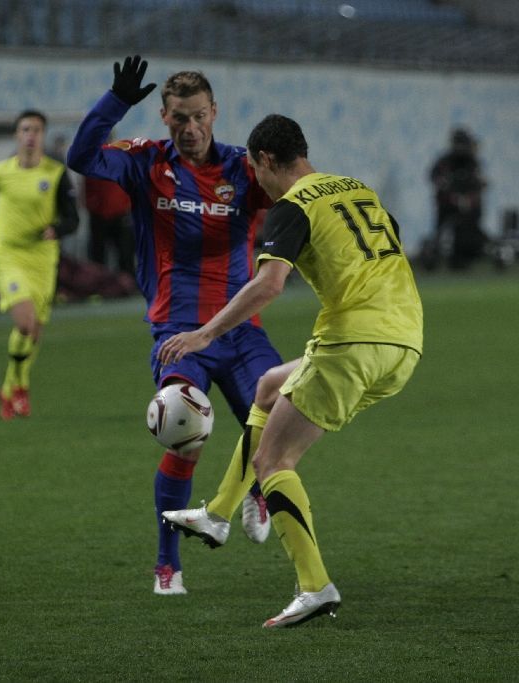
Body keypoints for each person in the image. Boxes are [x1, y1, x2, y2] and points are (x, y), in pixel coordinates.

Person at [159, 114, 423, 628]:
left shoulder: (293, 206)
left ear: (264, 161)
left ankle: (314, 586)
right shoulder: (358, 190)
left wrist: (204, 334)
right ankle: (216, 515)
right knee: (267, 386)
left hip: (352, 341)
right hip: (405, 342)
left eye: (255, 170)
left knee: (275, 460)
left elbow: (268, 286)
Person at [67, 55, 281, 596]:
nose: (190, 129)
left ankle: (256, 490)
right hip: (177, 333)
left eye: (199, 116)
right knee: (186, 432)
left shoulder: (241, 168)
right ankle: (168, 564)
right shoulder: (146, 162)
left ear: (215, 113)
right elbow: (81, 156)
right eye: (179, 118)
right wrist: (113, 103)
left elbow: (294, 191)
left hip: (240, 329)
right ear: (163, 116)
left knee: (280, 411)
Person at [0, 109, 80, 420]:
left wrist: (56, 230)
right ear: (16, 135)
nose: (30, 135)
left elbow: (73, 218)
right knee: (24, 321)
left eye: (36, 130)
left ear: (43, 136)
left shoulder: (56, 174)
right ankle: (19, 387)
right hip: (8, 255)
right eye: (24, 129)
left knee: (34, 331)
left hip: (43, 259)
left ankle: (9, 387)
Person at [425, 127, 487, 270]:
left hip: (468, 211)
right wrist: (454, 197)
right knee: (440, 234)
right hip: (447, 207)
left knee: (469, 233)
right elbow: (436, 179)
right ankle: (435, 258)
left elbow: (478, 184)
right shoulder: (445, 162)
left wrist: (468, 200)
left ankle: (464, 257)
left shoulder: (472, 163)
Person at [83, 172, 135, 277]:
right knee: (97, 253)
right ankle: (98, 282)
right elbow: (87, 189)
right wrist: (93, 205)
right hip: (98, 215)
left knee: (125, 252)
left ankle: (128, 283)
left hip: (121, 214)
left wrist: (128, 205)